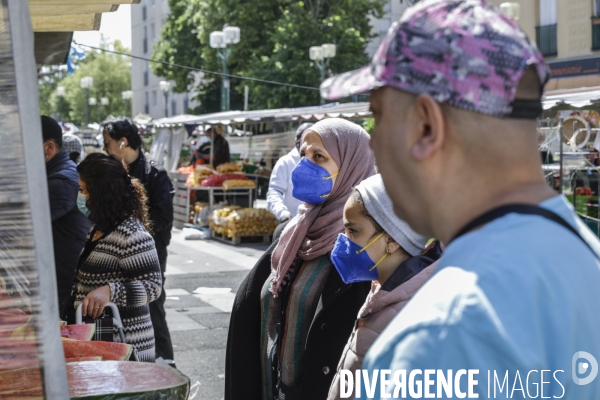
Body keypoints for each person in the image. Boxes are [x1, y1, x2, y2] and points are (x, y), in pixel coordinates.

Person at [320, 0, 600, 397]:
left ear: (427, 126)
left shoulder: (434, 338)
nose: (375, 144)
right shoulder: (582, 254)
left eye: (379, 117)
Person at [225, 118, 376, 400]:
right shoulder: (292, 234)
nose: (305, 165)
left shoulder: (368, 248)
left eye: (319, 156)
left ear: (351, 168)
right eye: (303, 155)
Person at [327, 175, 441, 400]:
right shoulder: (383, 292)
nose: (343, 241)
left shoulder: (410, 316)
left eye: (353, 232)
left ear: (392, 240)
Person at [73, 153, 162, 362]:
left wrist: (110, 290)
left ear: (101, 193)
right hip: (99, 339)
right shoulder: (99, 228)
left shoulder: (132, 234)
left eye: (83, 191)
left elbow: (153, 287)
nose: (80, 197)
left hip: (126, 344)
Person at [101, 118, 175, 362]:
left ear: (123, 142)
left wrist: (130, 235)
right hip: (115, 254)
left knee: (152, 305)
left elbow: (162, 216)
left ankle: (166, 362)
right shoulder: (113, 172)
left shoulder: (155, 173)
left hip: (150, 253)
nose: (104, 149)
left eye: (107, 143)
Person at [42, 115, 90, 315]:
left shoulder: (61, 181)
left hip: (62, 282)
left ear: (49, 148)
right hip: (58, 276)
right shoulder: (58, 173)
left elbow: (23, 225)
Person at [267, 122, 314, 222]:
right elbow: (274, 192)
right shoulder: (285, 163)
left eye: (306, 137)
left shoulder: (322, 163)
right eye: (298, 137)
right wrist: (282, 213)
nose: (301, 141)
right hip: (290, 222)